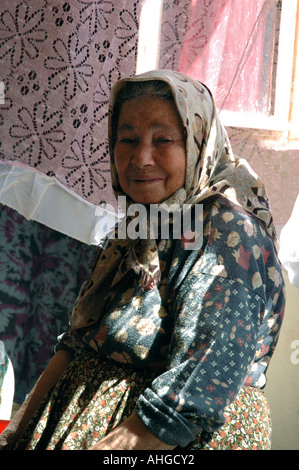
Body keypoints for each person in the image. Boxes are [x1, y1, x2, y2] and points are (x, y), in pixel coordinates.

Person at [0, 70, 285, 450]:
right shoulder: (136, 228)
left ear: (198, 142)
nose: (141, 158)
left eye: (163, 139)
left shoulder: (227, 235)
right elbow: (76, 343)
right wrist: (15, 436)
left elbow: (198, 385)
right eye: (127, 140)